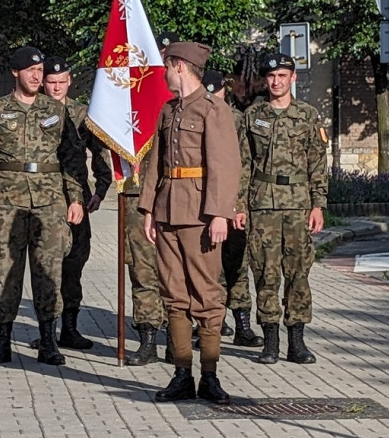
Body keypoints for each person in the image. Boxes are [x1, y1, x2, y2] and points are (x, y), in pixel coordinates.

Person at [0, 46, 86, 367]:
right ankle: (1, 342)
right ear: (15, 73)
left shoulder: (56, 111)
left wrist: (76, 198)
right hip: (7, 201)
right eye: (31, 71)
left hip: (50, 202)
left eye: (40, 71)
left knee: (49, 270)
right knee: (8, 270)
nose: (37, 76)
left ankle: (48, 341)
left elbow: (72, 158)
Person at [139, 41, 240, 403]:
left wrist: (218, 214)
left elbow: (226, 165)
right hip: (168, 210)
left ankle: (209, 376)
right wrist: (149, 208)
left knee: (207, 296)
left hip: (199, 214)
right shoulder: (168, 111)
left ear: (180, 66)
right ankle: (182, 373)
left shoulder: (214, 109)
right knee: (174, 295)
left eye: (167, 66)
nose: (164, 73)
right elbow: (157, 163)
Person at [237, 52, 328, 365]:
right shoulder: (254, 115)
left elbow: (318, 164)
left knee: (298, 273)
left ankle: (297, 343)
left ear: (293, 78)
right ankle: (270, 342)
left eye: (282, 76)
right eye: (271, 77)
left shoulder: (308, 115)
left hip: (298, 205)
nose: (276, 82)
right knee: (265, 273)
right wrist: (239, 205)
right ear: (266, 80)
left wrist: (318, 205)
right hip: (262, 204)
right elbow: (243, 164)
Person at [28, 55, 113, 350]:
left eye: (62, 82)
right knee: (46, 266)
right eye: (51, 82)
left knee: (74, 263)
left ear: (70, 81)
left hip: (77, 202)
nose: (56, 87)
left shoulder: (82, 114)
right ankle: (47, 331)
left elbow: (100, 153)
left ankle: (70, 328)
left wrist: (101, 190)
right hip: (44, 200)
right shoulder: (34, 113)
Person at [201, 70, 263, 348]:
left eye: (218, 95)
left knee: (237, 265)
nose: (214, 100)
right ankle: (213, 322)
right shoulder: (195, 118)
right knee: (208, 267)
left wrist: (238, 206)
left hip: (231, 205)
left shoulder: (236, 121)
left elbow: (244, 165)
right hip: (203, 205)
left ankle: (242, 325)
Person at [120, 169, 167, 366]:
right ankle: (148, 342)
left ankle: (177, 340)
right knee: (142, 272)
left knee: (179, 274)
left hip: (177, 193)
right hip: (137, 197)